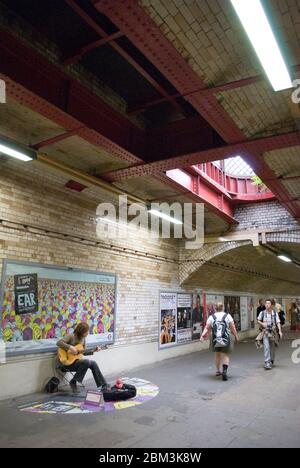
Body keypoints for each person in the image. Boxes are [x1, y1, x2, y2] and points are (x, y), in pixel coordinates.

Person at [56, 322, 108, 393]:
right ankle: (73, 381)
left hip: (77, 363)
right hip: (66, 363)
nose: (87, 333)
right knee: (86, 362)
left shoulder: (83, 339)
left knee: (93, 363)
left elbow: (83, 352)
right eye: (86, 331)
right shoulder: (71, 336)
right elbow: (59, 343)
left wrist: (93, 351)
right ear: (81, 331)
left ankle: (103, 384)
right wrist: (70, 347)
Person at [200, 303, 239, 381]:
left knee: (217, 355)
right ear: (223, 307)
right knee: (225, 355)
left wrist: (202, 335)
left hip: (215, 339)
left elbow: (207, 327)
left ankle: (218, 371)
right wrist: (236, 337)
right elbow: (232, 328)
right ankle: (224, 371)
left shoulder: (212, 317)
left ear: (215, 308)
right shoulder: (227, 316)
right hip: (226, 338)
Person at [257, 299, 283, 370]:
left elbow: (278, 322)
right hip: (265, 332)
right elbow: (258, 320)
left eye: (268, 303)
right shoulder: (262, 313)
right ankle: (267, 362)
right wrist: (262, 323)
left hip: (273, 332)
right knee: (266, 347)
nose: (267, 305)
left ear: (271, 305)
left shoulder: (274, 313)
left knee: (272, 347)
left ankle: (271, 360)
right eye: (266, 303)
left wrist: (280, 331)